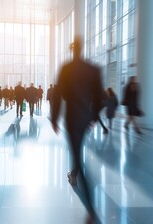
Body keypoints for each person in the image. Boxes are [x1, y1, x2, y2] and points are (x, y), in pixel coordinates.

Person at [51, 36, 103, 224]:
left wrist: (55, 118)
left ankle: (91, 208)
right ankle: (73, 174)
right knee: (77, 150)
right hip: (85, 119)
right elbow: (100, 97)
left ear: (72, 49)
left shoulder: (66, 68)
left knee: (78, 156)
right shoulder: (93, 70)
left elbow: (58, 95)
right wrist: (94, 117)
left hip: (72, 119)